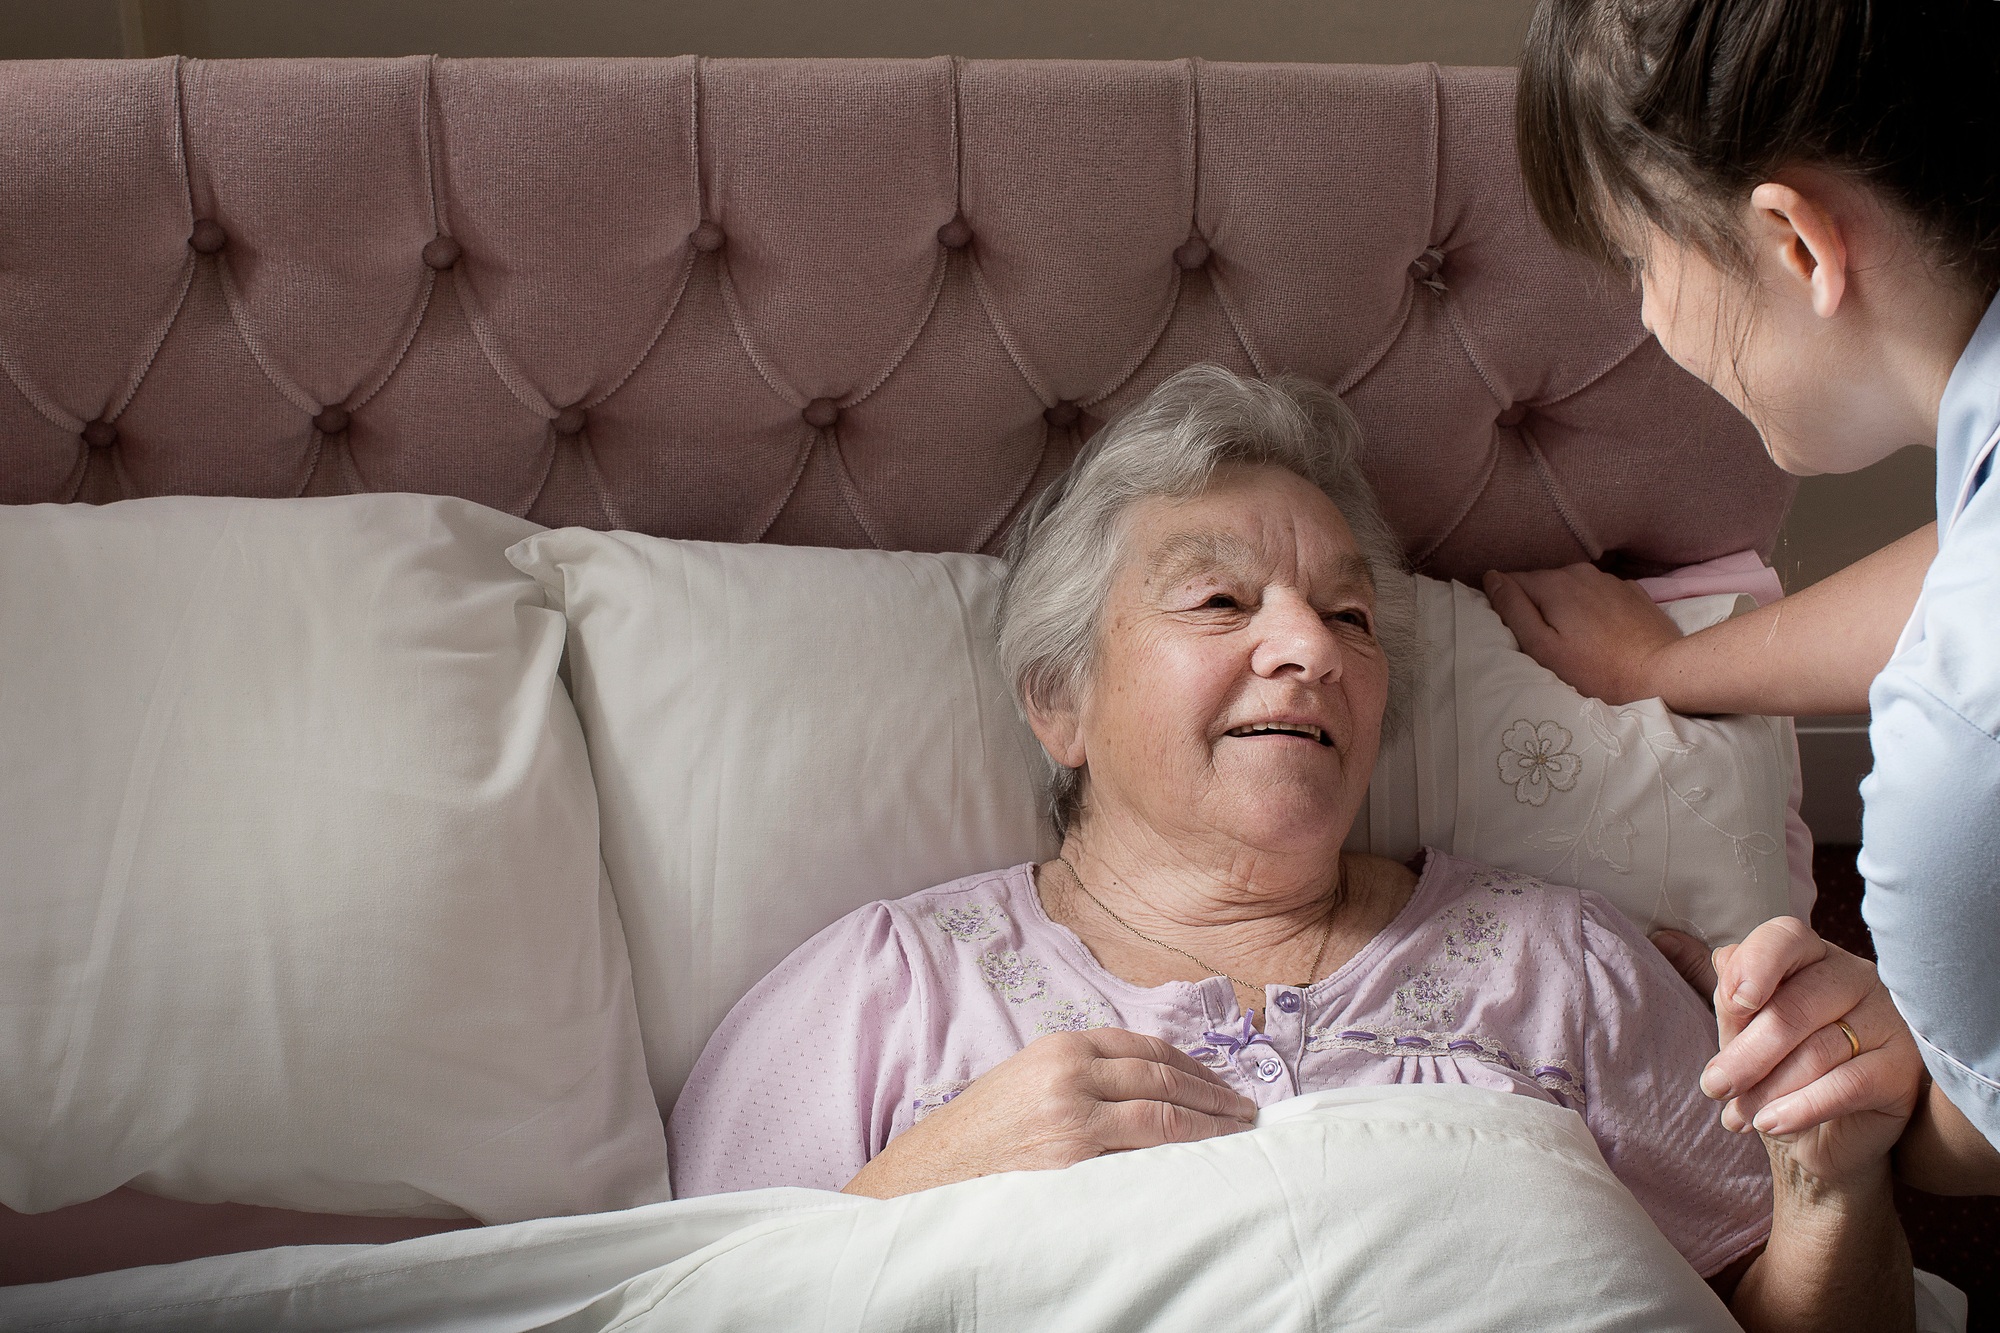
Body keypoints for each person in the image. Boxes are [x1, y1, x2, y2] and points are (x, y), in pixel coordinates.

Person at [670, 366, 1918, 1330]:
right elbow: (675, 1304)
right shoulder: (878, 995)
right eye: (1218, 601)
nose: (1309, 648)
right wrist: (921, 1189)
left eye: (1348, 614)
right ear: (1059, 702)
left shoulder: (1561, 962)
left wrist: (1829, 1183)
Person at [1489, 0, 2000, 1201]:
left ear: (1798, 247)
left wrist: (1884, 1059)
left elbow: (1969, 1148)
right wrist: (1665, 669)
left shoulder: (1954, 773)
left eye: (1636, 259)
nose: (1649, 315)